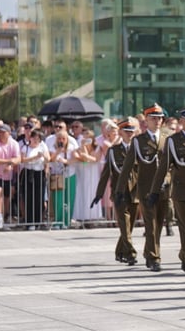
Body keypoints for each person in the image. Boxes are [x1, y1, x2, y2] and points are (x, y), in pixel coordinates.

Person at [116, 103, 171, 272]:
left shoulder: (167, 139)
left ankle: (149, 252)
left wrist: (170, 181)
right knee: (151, 225)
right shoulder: (139, 141)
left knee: (159, 224)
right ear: (146, 120)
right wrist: (119, 190)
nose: (157, 121)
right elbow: (126, 167)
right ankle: (155, 257)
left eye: (159, 118)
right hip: (146, 189)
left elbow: (171, 165)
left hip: (163, 188)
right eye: (153, 118)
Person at [150, 105, 185, 276]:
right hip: (181, 190)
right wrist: (155, 190)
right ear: (181, 122)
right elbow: (163, 166)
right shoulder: (173, 140)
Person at [94, 117, 139, 265]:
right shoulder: (114, 151)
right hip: (119, 192)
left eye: (131, 130)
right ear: (120, 132)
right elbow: (106, 173)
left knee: (129, 225)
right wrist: (99, 193)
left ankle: (120, 251)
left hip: (134, 192)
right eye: (126, 131)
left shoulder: (138, 149)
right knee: (124, 224)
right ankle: (131, 253)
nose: (129, 133)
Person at [19, 128, 49, 229]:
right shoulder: (25, 148)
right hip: (29, 172)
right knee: (29, 198)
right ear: (30, 138)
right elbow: (22, 159)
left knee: (39, 198)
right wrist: (34, 157)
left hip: (39, 173)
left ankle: (38, 221)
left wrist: (44, 157)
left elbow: (48, 159)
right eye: (34, 138)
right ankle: (30, 221)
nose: (36, 140)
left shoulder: (42, 147)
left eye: (38, 138)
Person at [48, 128, 76, 229]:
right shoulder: (52, 147)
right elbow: (51, 158)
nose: (61, 140)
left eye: (63, 138)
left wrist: (65, 161)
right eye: (59, 138)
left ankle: (66, 220)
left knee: (69, 198)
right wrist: (58, 151)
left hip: (70, 174)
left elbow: (74, 159)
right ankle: (58, 221)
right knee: (58, 199)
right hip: (58, 175)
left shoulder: (72, 147)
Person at [73, 128, 102, 225]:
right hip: (82, 172)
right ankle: (82, 217)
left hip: (93, 173)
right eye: (85, 138)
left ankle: (93, 216)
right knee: (83, 193)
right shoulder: (80, 147)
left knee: (92, 192)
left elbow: (95, 159)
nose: (87, 140)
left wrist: (87, 157)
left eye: (89, 138)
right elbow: (81, 157)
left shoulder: (97, 148)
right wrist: (83, 146)